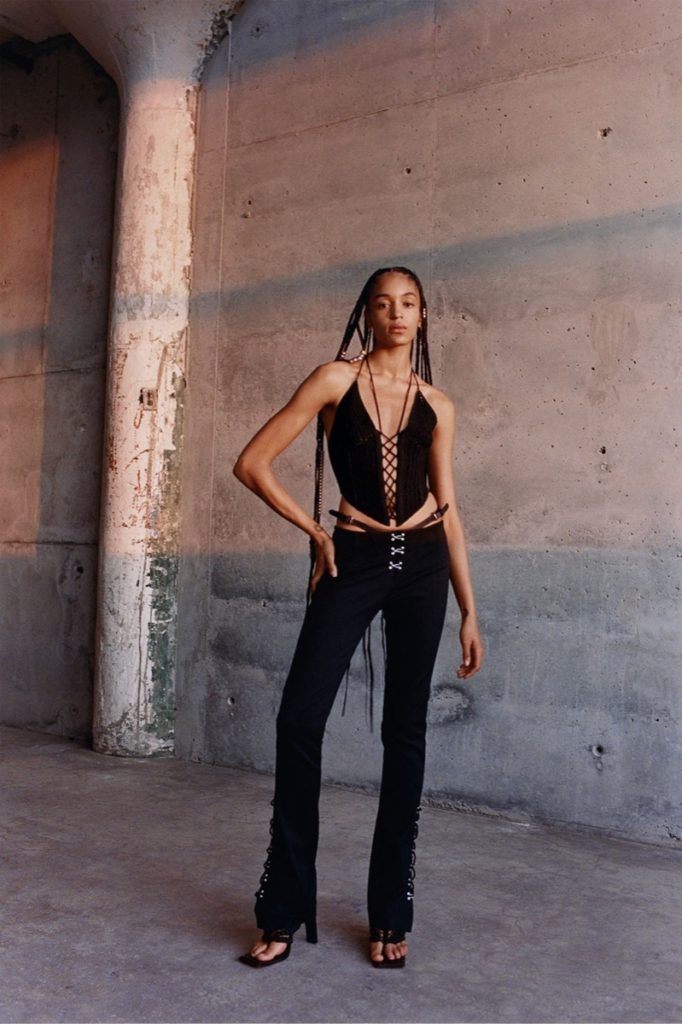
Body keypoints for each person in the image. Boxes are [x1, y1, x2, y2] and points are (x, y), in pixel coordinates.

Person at [232, 266, 483, 969]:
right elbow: (252, 463)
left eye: (409, 304)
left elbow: (449, 509)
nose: (396, 314)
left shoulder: (438, 404)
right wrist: (316, 533)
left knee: (405, 735)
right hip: (355, 558)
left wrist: (469, 609)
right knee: (298, 719)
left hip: (425, 566)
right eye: (383, 303)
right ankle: (283, 909)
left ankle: (390, 914)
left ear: (423, 316)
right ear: (367, 314)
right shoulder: (333, 381)